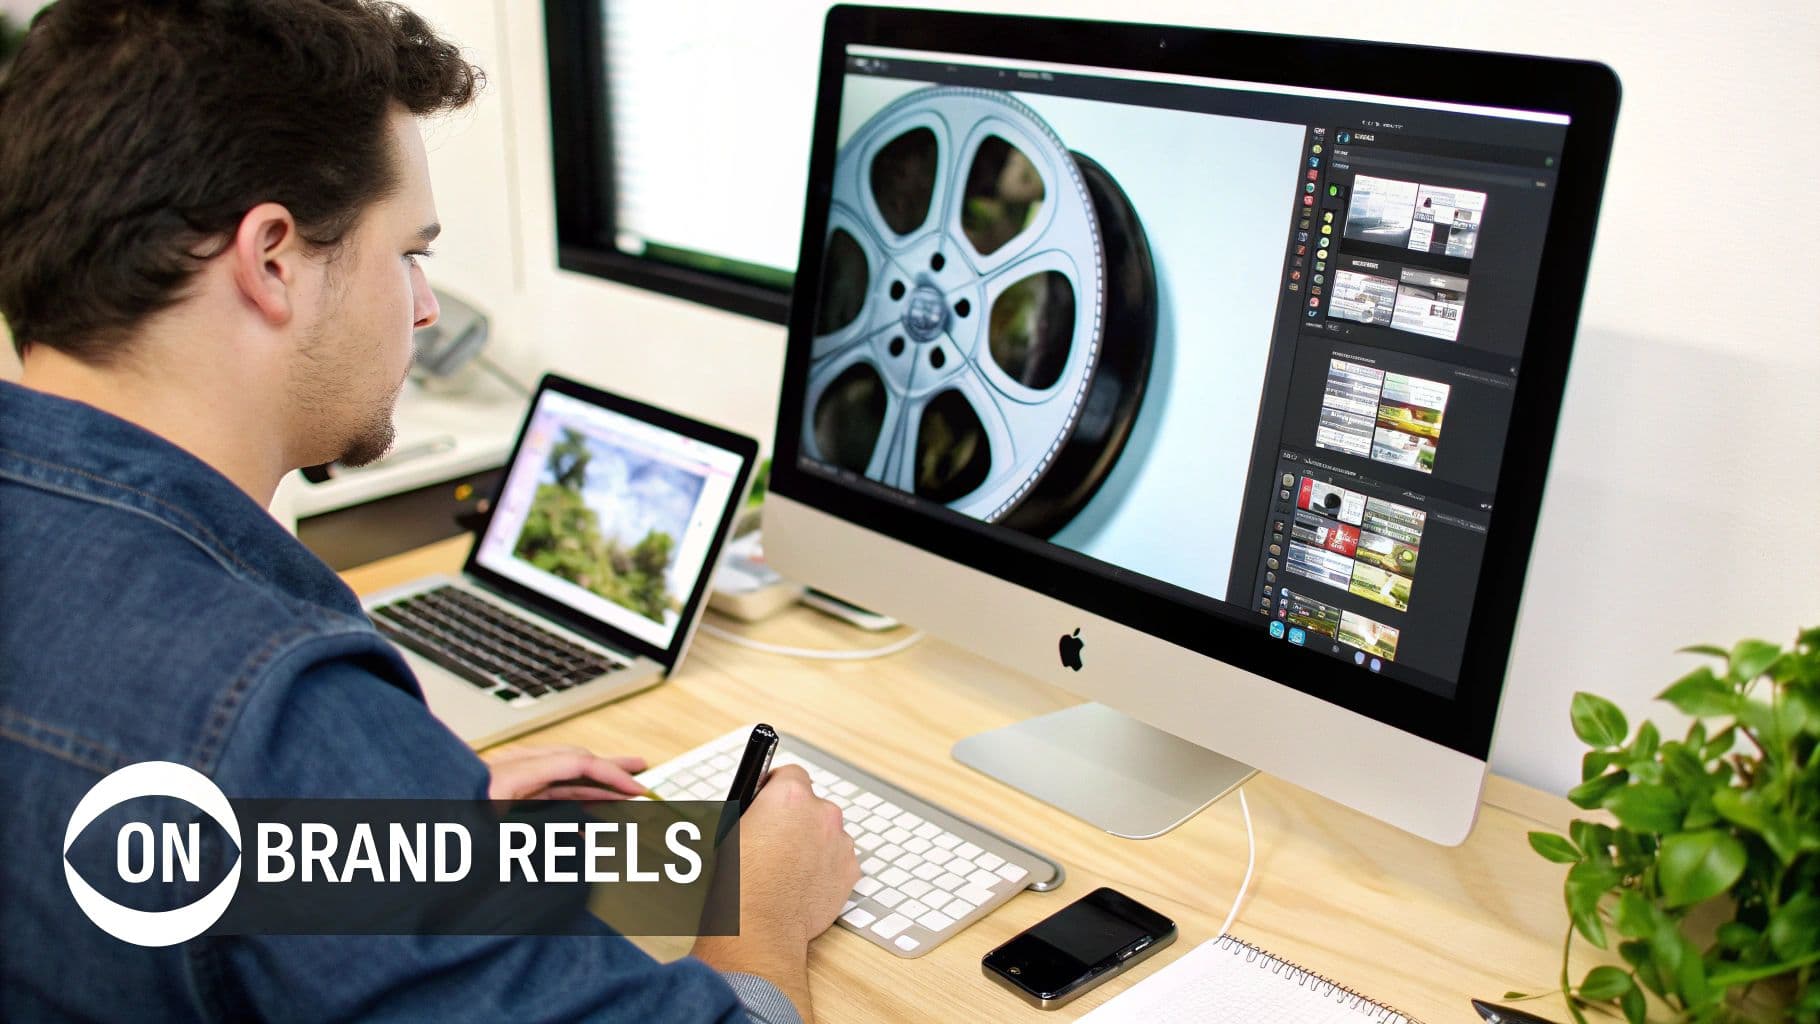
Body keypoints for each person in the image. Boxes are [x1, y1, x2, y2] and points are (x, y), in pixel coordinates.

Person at [0, 2, 857, 1021]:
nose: (424, 310)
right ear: (272, 259)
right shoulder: (274, 716)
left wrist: (408, 814)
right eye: (410, 252)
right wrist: (759, 903)